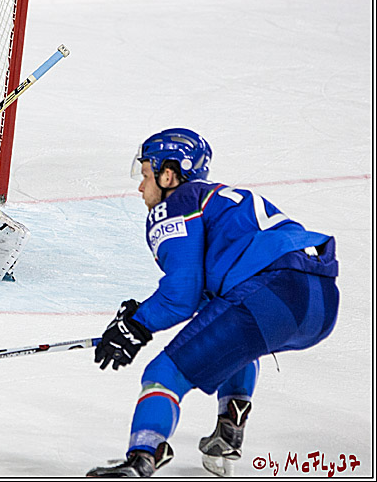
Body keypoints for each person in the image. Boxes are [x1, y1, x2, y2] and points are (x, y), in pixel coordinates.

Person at [86, 128, 339, 477]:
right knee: (234, 334)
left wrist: (134, 326)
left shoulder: (179, 201)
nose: (141, 188)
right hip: (320, 300)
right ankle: (229, 429)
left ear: (168, 174)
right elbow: (209, 303)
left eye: (146, 175)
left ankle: (142, 458)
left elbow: (180, 296)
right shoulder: (222, 202)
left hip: (270, 290)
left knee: (163, 373)